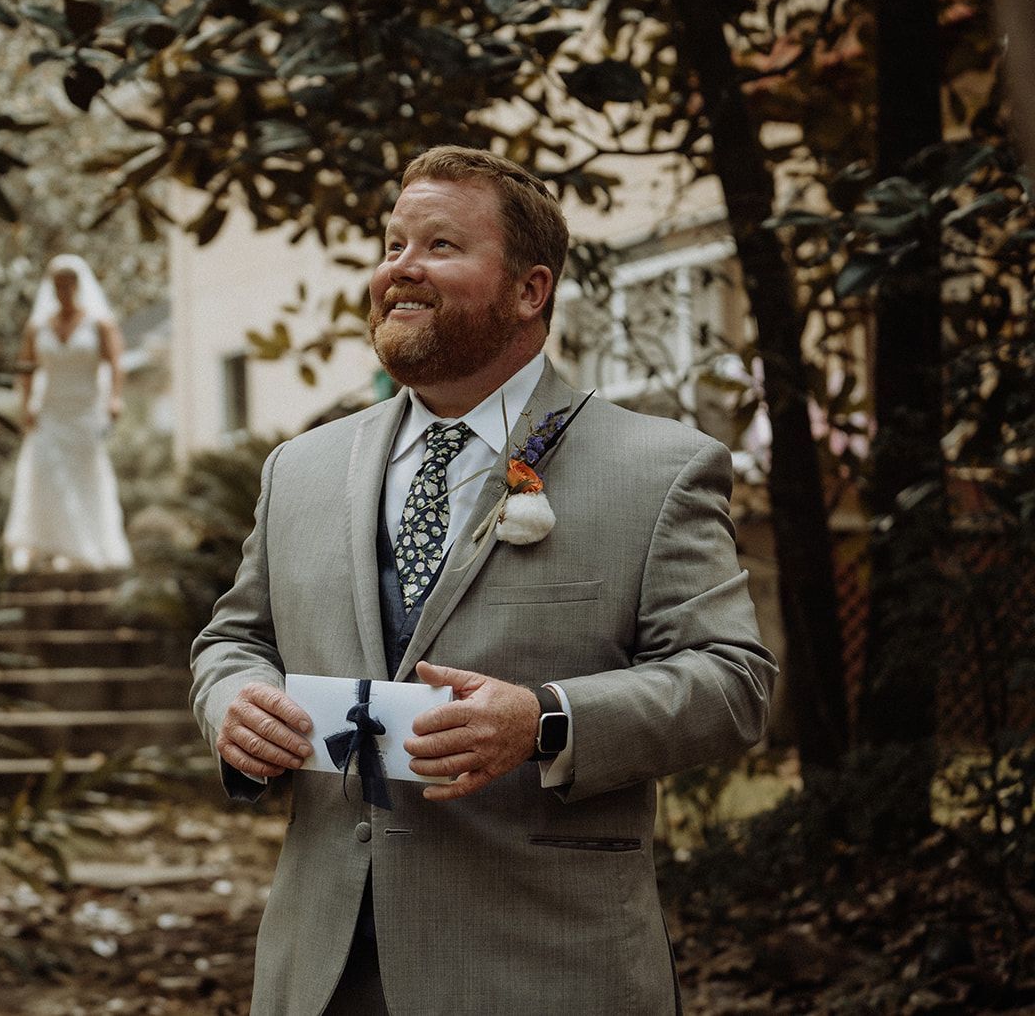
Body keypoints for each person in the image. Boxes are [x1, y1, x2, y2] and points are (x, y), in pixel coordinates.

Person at [189, 146, 775, 1014]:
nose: (401, 269)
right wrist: (233, 700)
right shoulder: (299, 470)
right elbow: (234, 639)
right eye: (392, 245)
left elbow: (736, 683)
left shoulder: (659, 470)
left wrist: (546, 720)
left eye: (439, 246)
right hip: (323, 972)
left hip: (545, 971)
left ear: (530, 290)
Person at [2, 254, 131, 572]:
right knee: (43, 473)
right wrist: (26, 404)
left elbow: (116, 363)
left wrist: (113, 399)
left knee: (84, 478)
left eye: (69, 283)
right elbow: (27, 369)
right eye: (57, 284)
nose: (63, 290)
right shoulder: (37, 327)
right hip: (50, 412)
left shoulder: (99, 324)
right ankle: (42, 544)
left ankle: (82, 547)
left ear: (79, 285)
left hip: (85, 413)